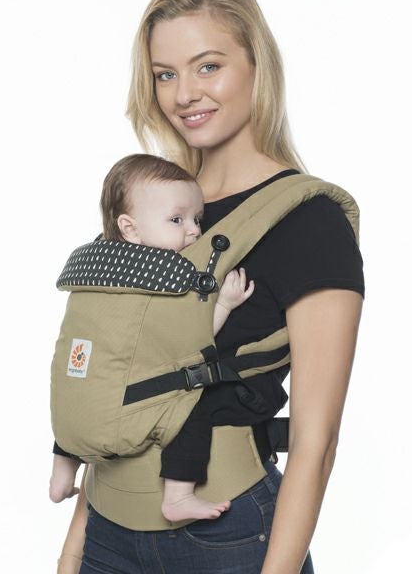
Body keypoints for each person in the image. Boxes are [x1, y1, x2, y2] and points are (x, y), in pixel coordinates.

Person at [56, 0, 364, 573]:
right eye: (164, 74)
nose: (184, 94)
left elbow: (316, 441)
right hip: (109, 528)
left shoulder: (308, 221)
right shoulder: (155, 209)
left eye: (208, 66)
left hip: (227, 534)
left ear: (257, 65)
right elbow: (120, 384)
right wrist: (72, 553)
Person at [50, 152, 262, 522]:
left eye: (197, 219)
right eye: (177, 220)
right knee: (191, 407)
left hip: (71, 414)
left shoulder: (95, 272)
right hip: (122, 414)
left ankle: (60, 476)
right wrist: (225, 304)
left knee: (83, 389)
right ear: (130, 229)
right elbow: (190, 337)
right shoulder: (160, 279)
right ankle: (178, 496)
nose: (194, 231)